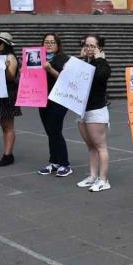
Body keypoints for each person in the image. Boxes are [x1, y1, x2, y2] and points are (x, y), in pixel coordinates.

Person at [76, 34, 112, 192]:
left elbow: (100, 75)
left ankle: (103, 180)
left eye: (92, 46)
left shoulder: (102, 64)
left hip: (97, 110)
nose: (88, 48)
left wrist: (99, 59)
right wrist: (82, 59)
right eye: (86, 45)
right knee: (90, 146)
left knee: (100, 146)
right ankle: (92, 176)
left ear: (100, 48)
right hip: (83, 109)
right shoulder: (85, 63)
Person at [39, 33, 72, 177]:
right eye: (47, 42)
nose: (49, 44)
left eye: (52, 42)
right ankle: (54, 162)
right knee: (49, 131)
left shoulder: (64, 59)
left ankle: (65, 164)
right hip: (42, 99)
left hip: (59, 100)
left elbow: (66, 79)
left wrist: (50, 69)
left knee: (55, 130)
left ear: (58, 45)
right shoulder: (38, 58)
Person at [0, 32, 21, 167]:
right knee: (4, 126)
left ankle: (8, 155)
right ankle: (8, 153)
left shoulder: (10, 57)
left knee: (8, 126)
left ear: (6, 45)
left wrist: (6, 67)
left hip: (8, 93)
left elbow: (11, 77)